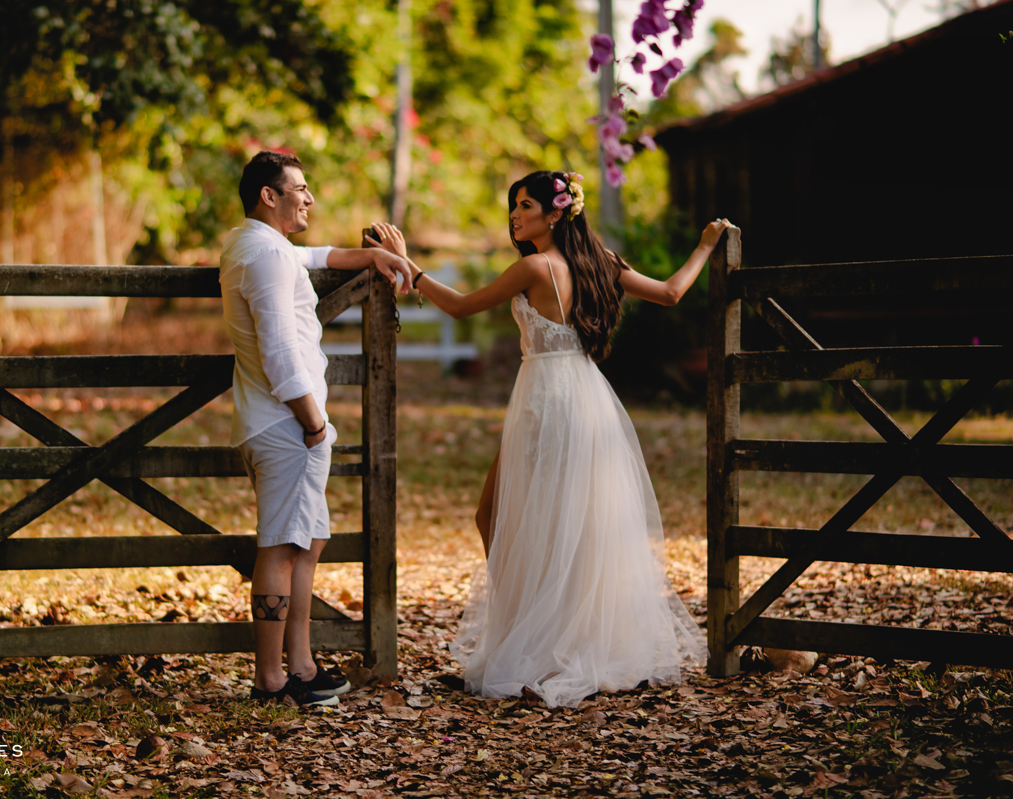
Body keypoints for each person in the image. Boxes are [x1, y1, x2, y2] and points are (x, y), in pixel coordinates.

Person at [370, 170, 729, 707]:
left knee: (507, 517)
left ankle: (537, 638)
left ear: (556, 212)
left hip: (548, 400)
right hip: (586, 396)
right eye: (513, 204)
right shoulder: (601, 263)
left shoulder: (534, 266)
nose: (515, 215)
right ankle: (546, 631)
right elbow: (673, 292)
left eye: (526, 205)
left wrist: (410, 268)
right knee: (559, 521)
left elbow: (464, 305)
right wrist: (704, 247)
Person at [220, 150, 412, 706]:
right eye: (299, 189)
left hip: (278, 423)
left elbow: (315, 254)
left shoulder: (254, 245)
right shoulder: (266, 258)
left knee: (308, 540)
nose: (309, 198)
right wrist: (314, 422)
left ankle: (300, 666)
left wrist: (374, 257)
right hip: (288, 424)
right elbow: (280, 351)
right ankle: (272, 679)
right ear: (268, 195)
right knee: (281, 547)